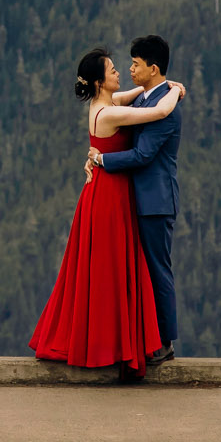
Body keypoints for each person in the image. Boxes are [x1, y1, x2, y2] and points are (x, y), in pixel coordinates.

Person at [27, 45, 185, 372]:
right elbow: (156, 112)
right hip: (110, 196)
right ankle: (118, 345)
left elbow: (138, 94)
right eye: (113, 69)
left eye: (125, 65)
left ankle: (119, 342)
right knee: (110, 271)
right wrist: (178, 91)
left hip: (111, 192)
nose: (120, 71)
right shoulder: (108, 112)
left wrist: (166, 87)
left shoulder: (110, 102)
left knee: (109, 270)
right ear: (99, 82)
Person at [85, 34, 182, 365]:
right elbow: (139, 104)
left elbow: (142, 154)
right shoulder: (144, 100)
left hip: (154, 201)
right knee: (138, 272)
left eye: (135, 65)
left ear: (153, 68)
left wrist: (101, 160)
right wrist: (174, 88)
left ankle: (165, 342)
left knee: (157, 270)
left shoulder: (162, 107)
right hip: (132, 200)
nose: (129, 70)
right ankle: (143, 340)